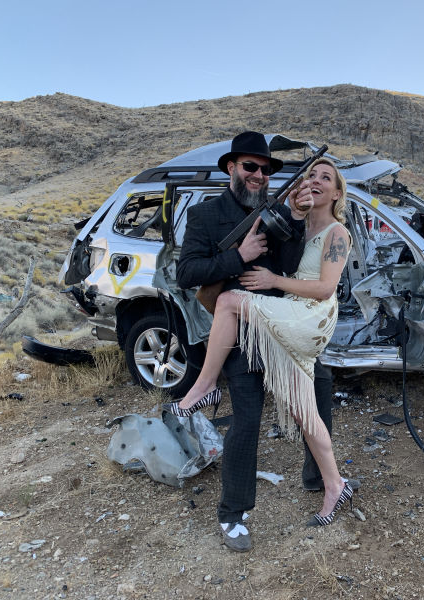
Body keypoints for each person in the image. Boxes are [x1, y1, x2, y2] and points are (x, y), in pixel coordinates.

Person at [174, 132, 354, 552]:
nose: (258, 175)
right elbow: (188, 274)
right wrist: (239, 256)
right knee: (247, 419)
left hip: (286, 322)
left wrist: (293, 219)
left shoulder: (281, 208)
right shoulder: (205, 215)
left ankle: (323, 479)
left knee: (316, 401)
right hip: (241, 334)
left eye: (266, 169)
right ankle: (233, 513)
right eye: (250, 167)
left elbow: (293, 265)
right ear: (231, 168)